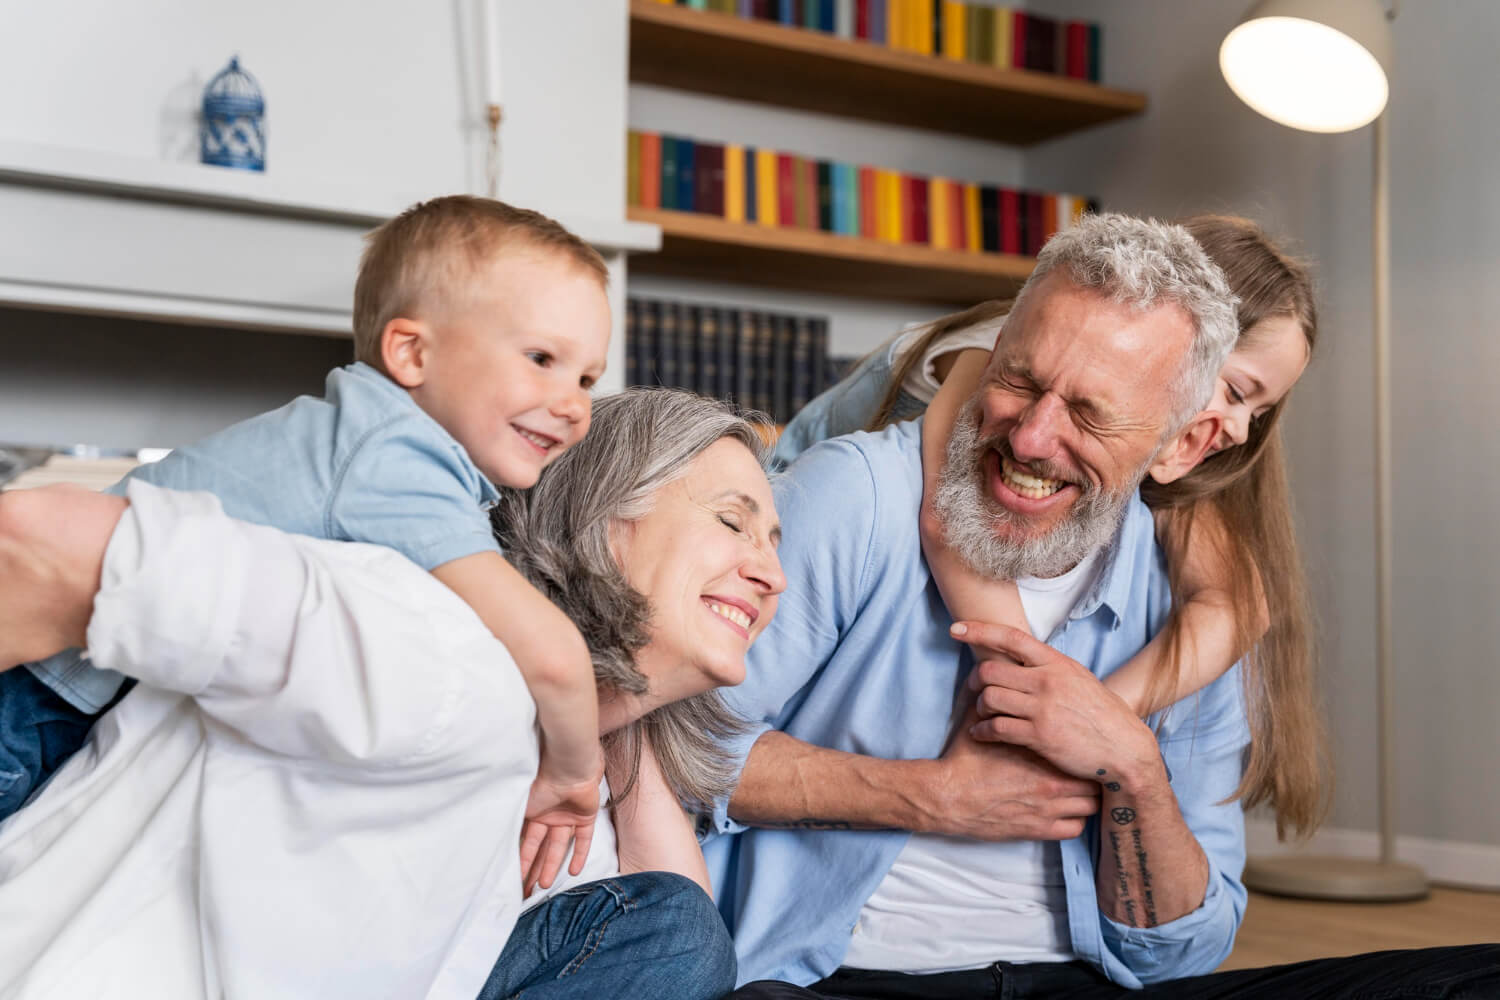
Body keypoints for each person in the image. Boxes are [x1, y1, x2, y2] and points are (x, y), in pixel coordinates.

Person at [704, 214, 1499, 998]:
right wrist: (937, 792)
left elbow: (1184, 951)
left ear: (1178, 438)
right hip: (847, 976)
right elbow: (672, 748)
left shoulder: (1192, 585)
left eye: (1254, 407)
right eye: (1021, 383)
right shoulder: (871, 484)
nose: (1235, 425)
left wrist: (1126, 754)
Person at [0, 388, 785, 999]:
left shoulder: (577, 790)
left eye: (775, 545)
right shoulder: (416, 635)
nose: (770, 573)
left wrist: (620, 712)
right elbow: (39, 538)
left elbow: (677, 945)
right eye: (733, 523)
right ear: (606, 520)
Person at [0, 197, 610, 868]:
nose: (573, 404)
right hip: (38, 696)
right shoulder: (398, 459)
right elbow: (551, 655)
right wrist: (576, 777)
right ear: (410, 352)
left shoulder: (361, 438)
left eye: (587, 377)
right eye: (541, 358)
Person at [779, 215, 1325, 840]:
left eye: (1260, 409)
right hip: (777, 509)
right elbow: (948, 526)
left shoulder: (1159, 452)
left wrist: (1096, 718)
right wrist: (1029, 716)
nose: (1239, 427)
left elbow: (1240, 604)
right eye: (1234, 390)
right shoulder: (1003, 355)